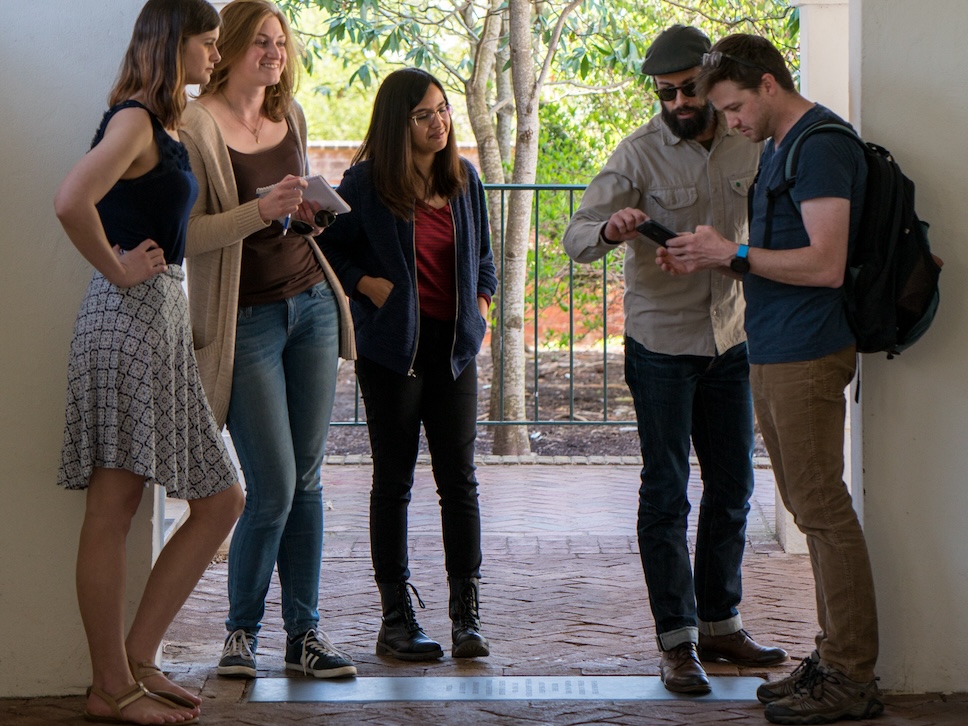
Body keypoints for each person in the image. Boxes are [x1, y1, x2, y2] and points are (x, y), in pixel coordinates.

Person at [658, 33, 883, 725]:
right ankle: (833, 660)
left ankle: (850, 677)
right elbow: (775, 255)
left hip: (810, 351)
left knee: (823, 512)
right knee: (810, 509)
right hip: (779, 347)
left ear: (766, 84)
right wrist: (715, 256)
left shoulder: (820, 145)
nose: (728, 121)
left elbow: (824, 264)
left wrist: (736, 251)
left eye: (731, 107)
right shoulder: (783, 146)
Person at [562, 25, 787, 695]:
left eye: (688, 89)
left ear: (712, 82)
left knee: (734, 488)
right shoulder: (637, 154)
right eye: (664, 93)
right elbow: (576, 238)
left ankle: (721, 624)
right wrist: (612, 229)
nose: (677, 102)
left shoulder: (753, 140)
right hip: (663, 345)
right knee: (666, 493)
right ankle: (677, 642)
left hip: (734, 340)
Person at [53, 1, 245, 723]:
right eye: (206, 41)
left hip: (154, 323)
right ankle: (110, 685)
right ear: (172, 43)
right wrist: (118, 268)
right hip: (128, 318)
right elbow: (71, 199)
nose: (213, 54)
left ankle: (135, 660)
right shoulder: (134, 119)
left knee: (221, 499)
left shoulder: (160, 124)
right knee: (115, 505)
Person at [181, 0, 357, 681]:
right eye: (261, 40)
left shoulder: (292, 117)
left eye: (281, 42)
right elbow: (189, 237)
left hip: (309, 305)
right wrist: (263, 210)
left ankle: (304, 635)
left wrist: (307, 214)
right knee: (274, 484)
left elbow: (290, 216)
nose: (274, 52)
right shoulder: (196, 124)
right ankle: (240, 633)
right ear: (227, 49)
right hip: (245, 322)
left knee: (308, 480)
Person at [318, 67, 497, 661]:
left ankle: (466, 616)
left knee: (460, 484)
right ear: (399, 123)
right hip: (393, 354)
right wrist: (368, 285)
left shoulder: (464, 179)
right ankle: (396, 620)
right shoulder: (367, 183)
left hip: (453, 354)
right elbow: (328, 245)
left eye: (443, 110)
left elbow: (486, 260)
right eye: (424, 114)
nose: (439, 122)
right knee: (393, 483)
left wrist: (478, 310)